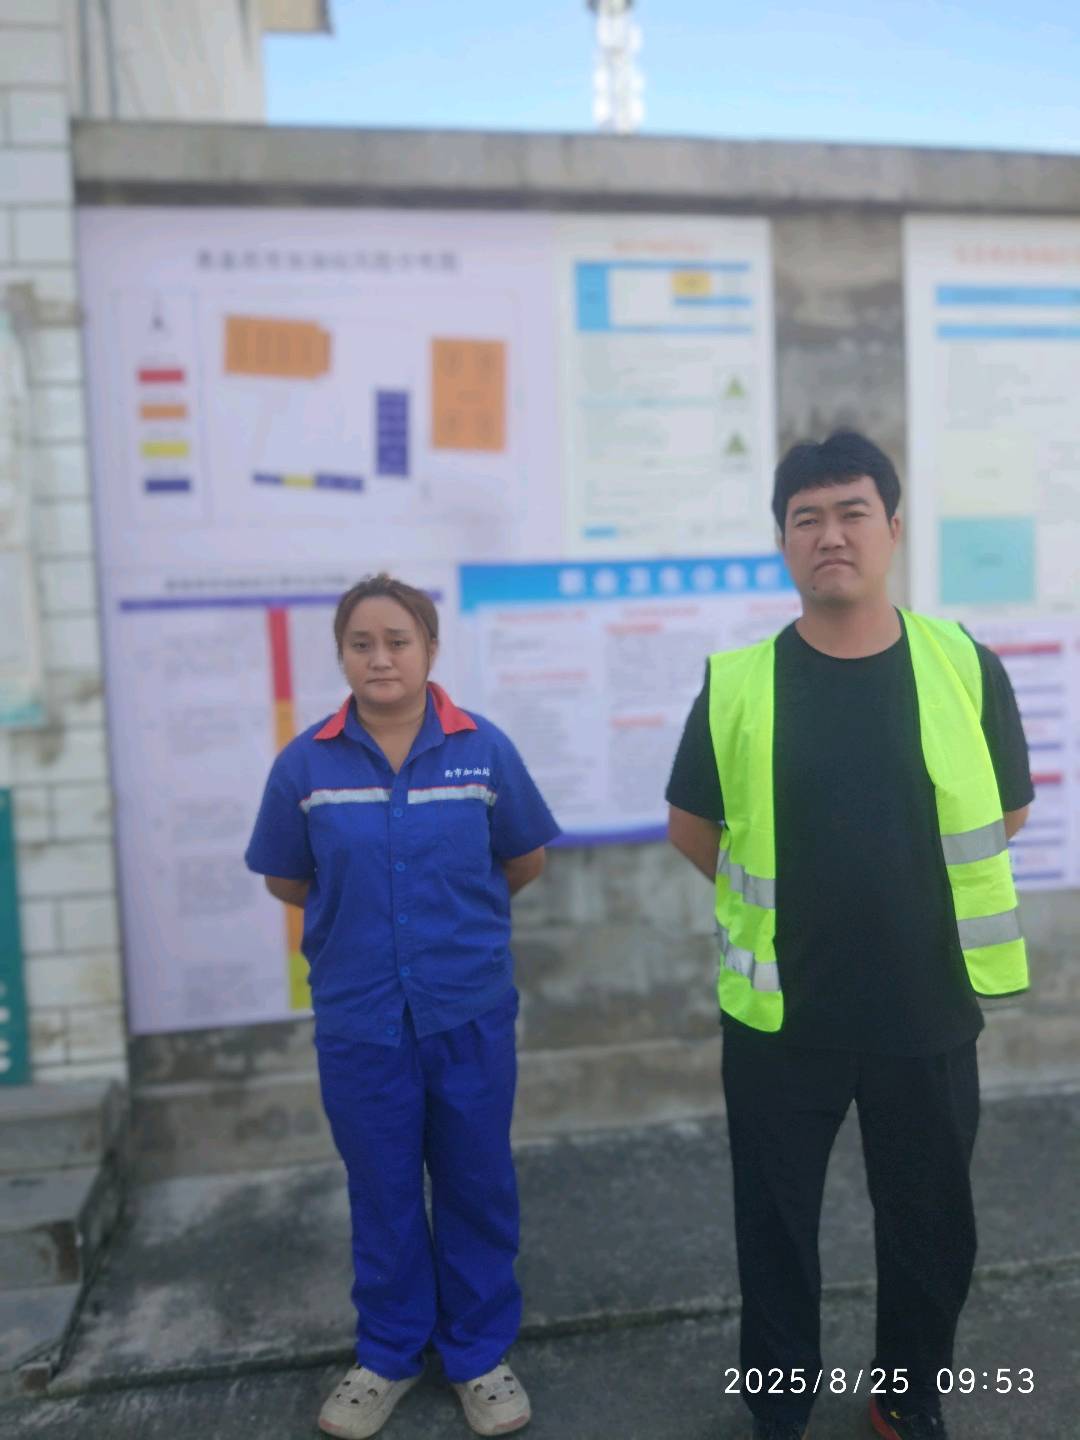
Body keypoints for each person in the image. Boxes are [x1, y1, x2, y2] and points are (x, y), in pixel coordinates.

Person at [666, 433, 1032, 1440]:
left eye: (852, 513)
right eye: (807, 519)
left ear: (893, 528)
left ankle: (907, 1395)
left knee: (931, 1229)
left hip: (926, 1005)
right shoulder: (739, 682)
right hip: (783, 1015)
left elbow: (1005, 810)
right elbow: (692, 827)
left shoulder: (963, 665)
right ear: (784, 541)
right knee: (775, 1229)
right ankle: (779, 1405)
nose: (831, 535)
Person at [245, 574, 559, 1438]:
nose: (380, 658)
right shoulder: (305, 765)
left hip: (468, 1011)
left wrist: (455, 926)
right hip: (360, 1019)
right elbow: (286, 877)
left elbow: (523, 859)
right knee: (381, 1190)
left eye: (397, 641)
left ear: (430, 649)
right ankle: (387, 1353)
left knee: (475, 1183)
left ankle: (477, 1355)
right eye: (361, 644)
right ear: (342, 655)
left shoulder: (482, 751)